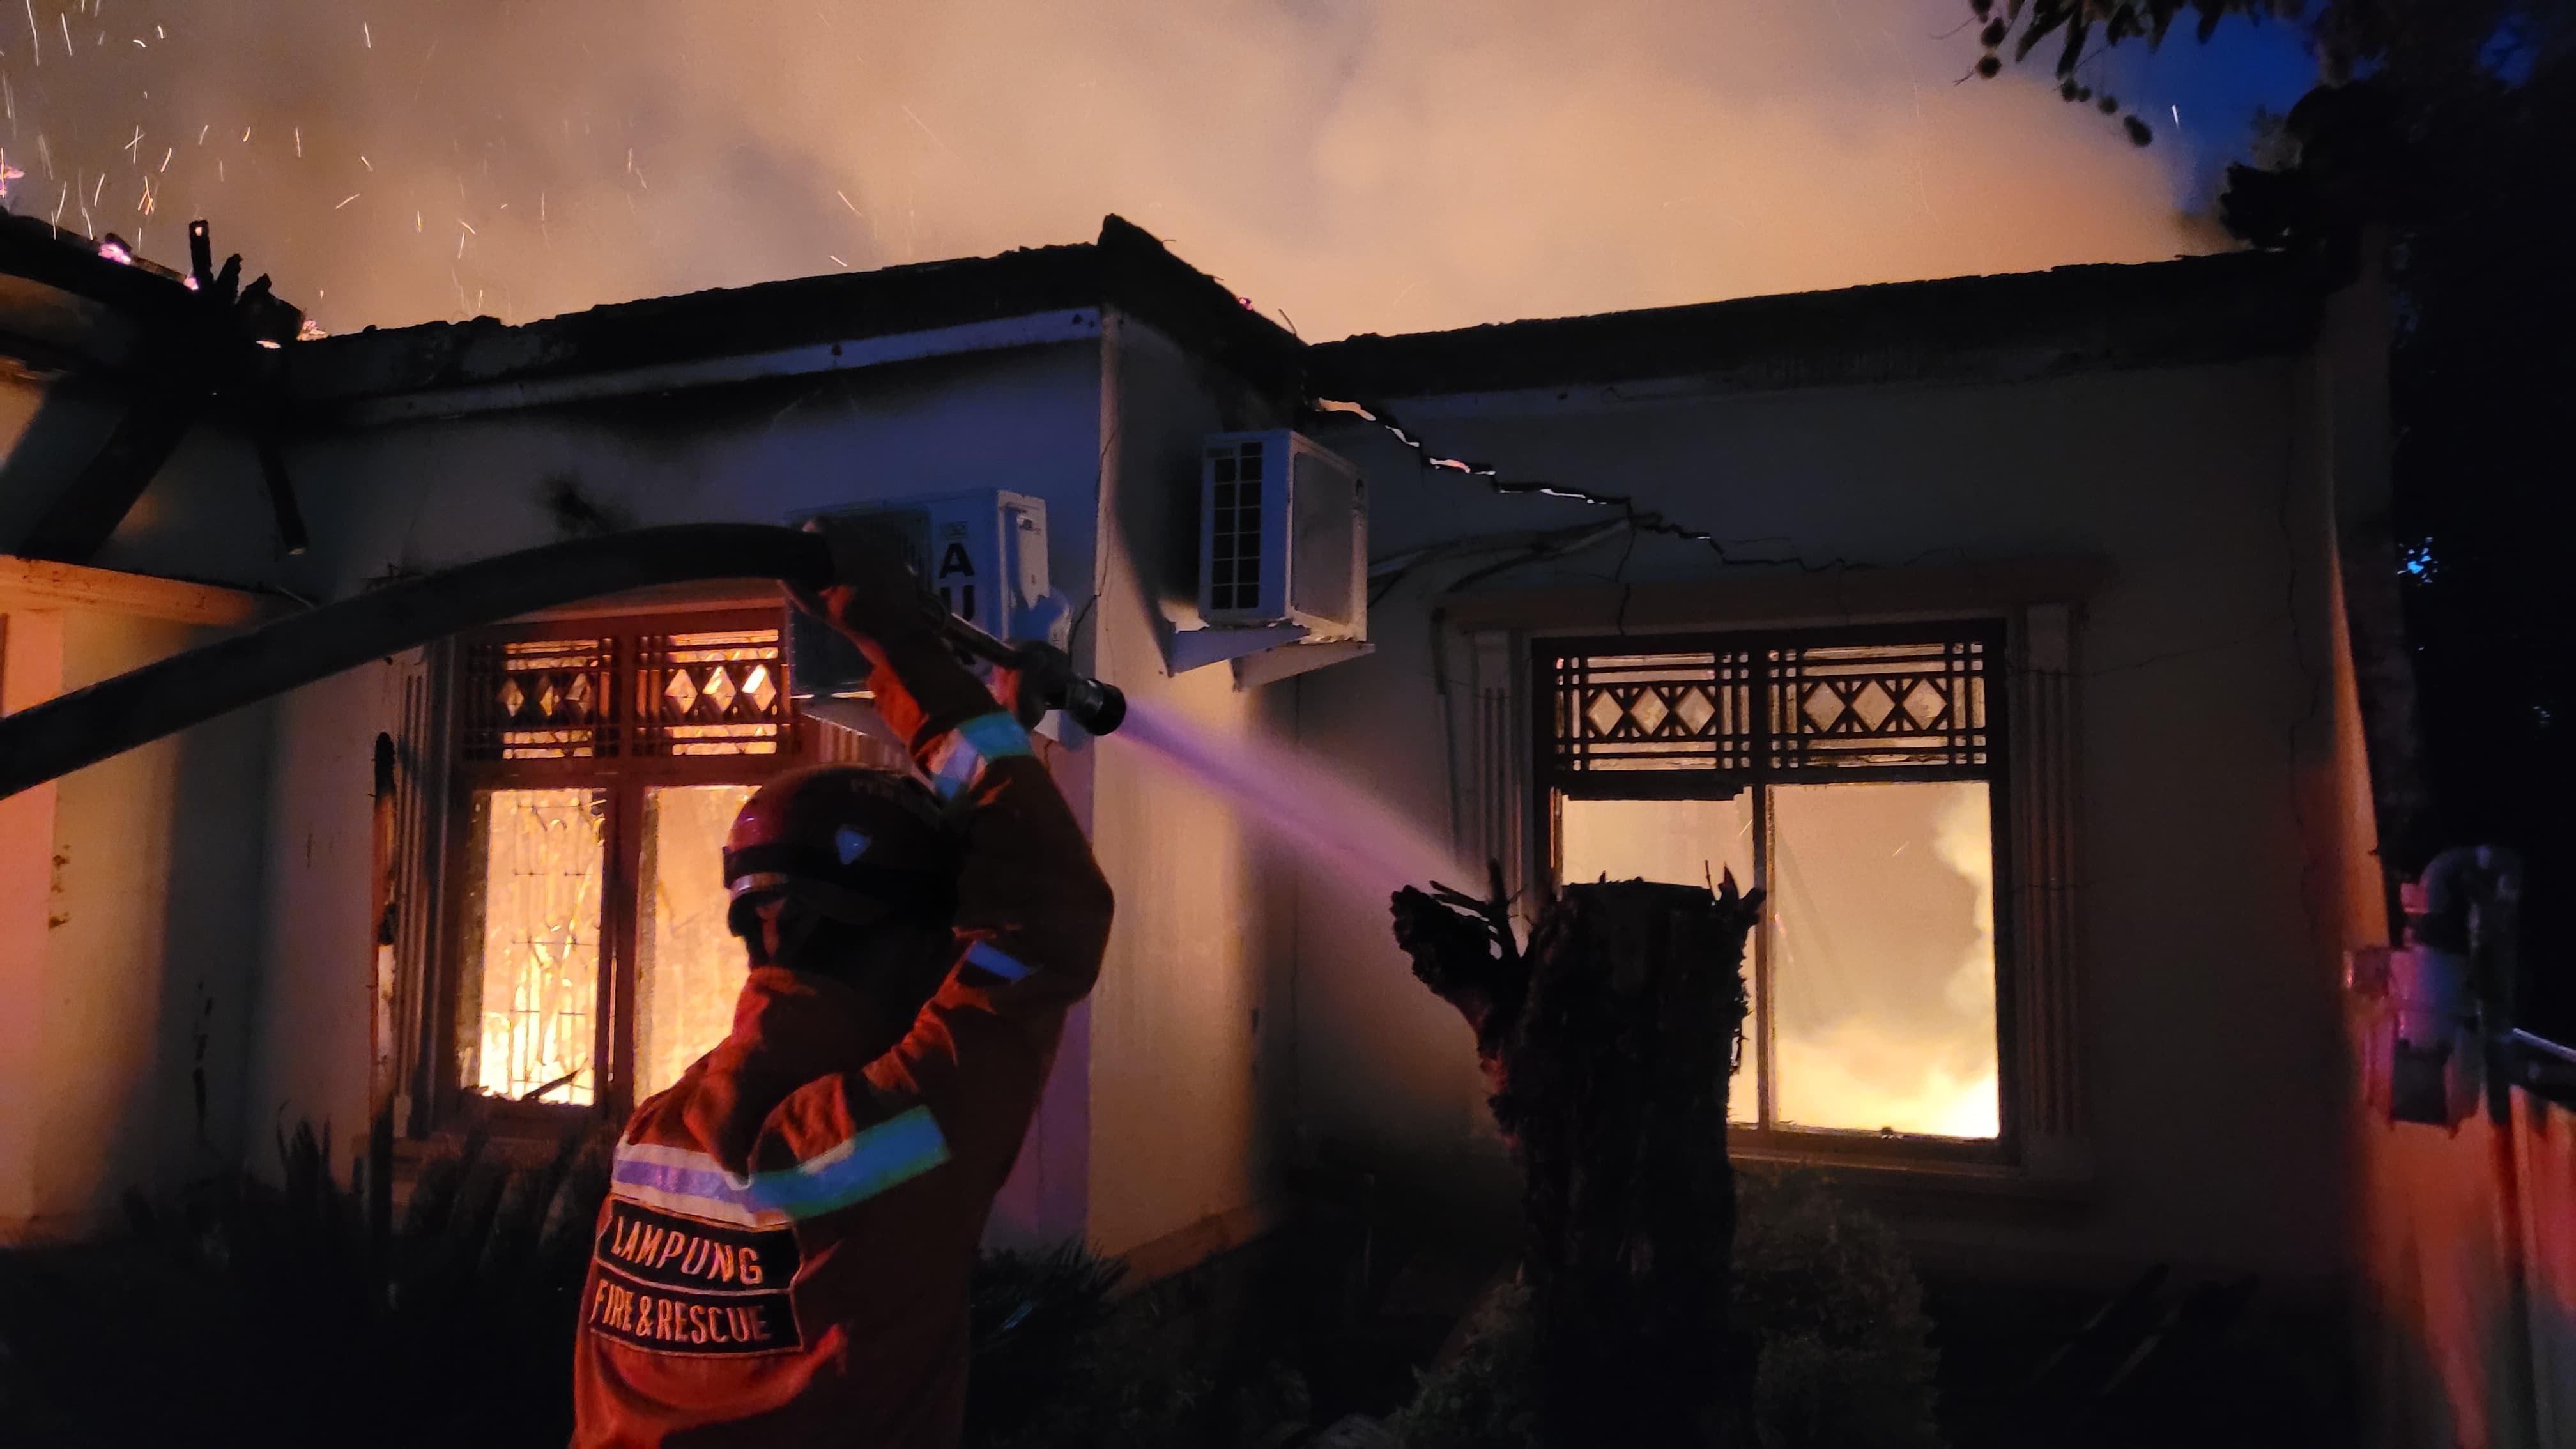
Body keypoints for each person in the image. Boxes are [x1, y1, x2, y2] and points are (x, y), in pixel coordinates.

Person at [571, 527, 1114, 1448]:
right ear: (912, 940)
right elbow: (1044, 922)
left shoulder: (656, 1138)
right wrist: (900, 651)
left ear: (756, 925)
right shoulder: (885, 1134)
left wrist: (993, 722)